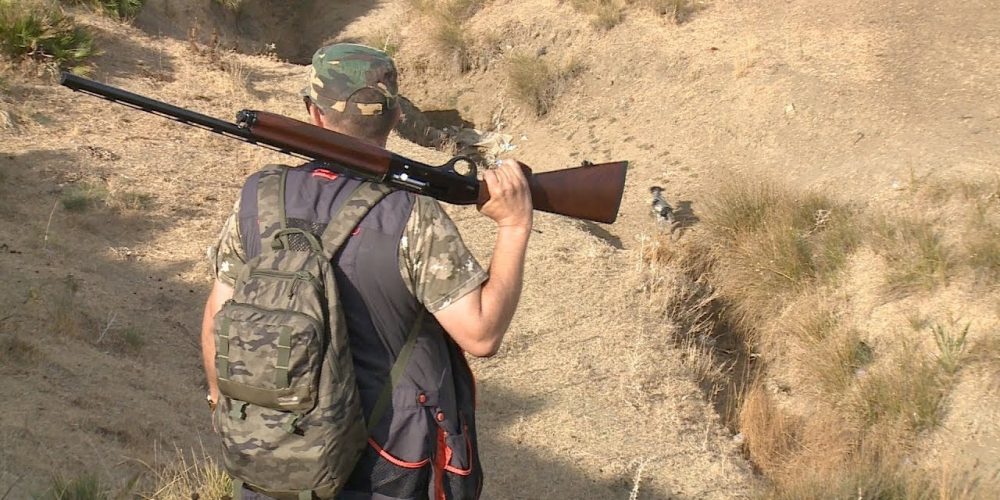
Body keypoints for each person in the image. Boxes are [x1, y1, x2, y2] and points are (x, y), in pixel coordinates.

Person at [200, 43, 532, 499]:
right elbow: (481, 334)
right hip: (386, 466)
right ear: (395, 117)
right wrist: (514, 226)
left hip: (271, 458)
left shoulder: (258, 197)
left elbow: (217, 317)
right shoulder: (411, 215)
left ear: (313, 112)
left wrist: (226, 407)